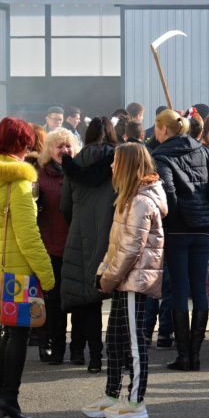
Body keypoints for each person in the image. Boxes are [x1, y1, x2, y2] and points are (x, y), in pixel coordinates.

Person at [0, 117, 55, 418]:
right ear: (20, 145)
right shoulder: (18, 182)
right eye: (28, 145)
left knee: (8, 334)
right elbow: (28, 236)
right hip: (19, 271)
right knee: (18, 335)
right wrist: (47, 275)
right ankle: (8, 399)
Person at [81, 142, 168, 418]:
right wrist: (103, 274)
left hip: (134, 281)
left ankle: (136, 401)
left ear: (128, 165)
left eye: (116, 161)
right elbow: (115, 244)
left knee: (132, 341)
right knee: (116, 339)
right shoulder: (129, 197)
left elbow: (130, 249)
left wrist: (106, 278)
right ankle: (112, 394)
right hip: (124, 279)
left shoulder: (140, 200)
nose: (111, 165)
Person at [152, 109, 209, 371]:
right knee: (200, 288)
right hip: (203, 227)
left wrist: (172, 216)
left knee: (178, 289)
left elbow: (168, 191)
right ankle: (195, 355)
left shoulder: (160, 154)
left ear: (164, 129)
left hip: (177, 229)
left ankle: (184, 355)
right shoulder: (202, 150)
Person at [61, 116, 118, 373]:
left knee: (86, 296)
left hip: (80, 233)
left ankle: (88, 355)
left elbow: (65, 206)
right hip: (114, 234)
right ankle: (117, 354)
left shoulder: (74, 163)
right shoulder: (120, 159)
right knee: (119, 297)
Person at [36, 128, 78, 365]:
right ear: (49, 150)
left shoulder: (79, 174)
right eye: (59, 146)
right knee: (52, 302)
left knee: (75, 301)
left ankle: (75, 349)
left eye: (68, 146)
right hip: (50, 246)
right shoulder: (40, 176)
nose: (64, 150)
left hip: (74, 247)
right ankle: (49, 346)